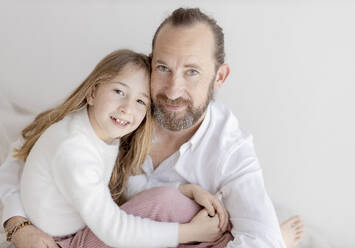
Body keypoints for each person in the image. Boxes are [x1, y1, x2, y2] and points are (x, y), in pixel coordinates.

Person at [0, 7, 305, 248]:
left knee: (209, 218)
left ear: (220, 77)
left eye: (192, 72)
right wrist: (17, 224)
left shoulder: (230, 147)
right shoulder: (124, 106)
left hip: (142, 230)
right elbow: (26, 151)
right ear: (150, 62)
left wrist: (186, 193)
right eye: (163, 68)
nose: (172, 90)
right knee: (174, 204)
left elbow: (259, 235)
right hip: (95, 231)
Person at [2, 49, 231, 248]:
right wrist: (191, 232)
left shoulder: (101, 132)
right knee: (166, 205)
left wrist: (185, 189)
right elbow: (114, 229)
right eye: (119, 92)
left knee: (171, 201)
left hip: (78, 232)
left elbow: (126, 186)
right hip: (60, 242)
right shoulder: (74, 150)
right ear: (93, 93)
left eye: (141, 101)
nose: (127, 108)